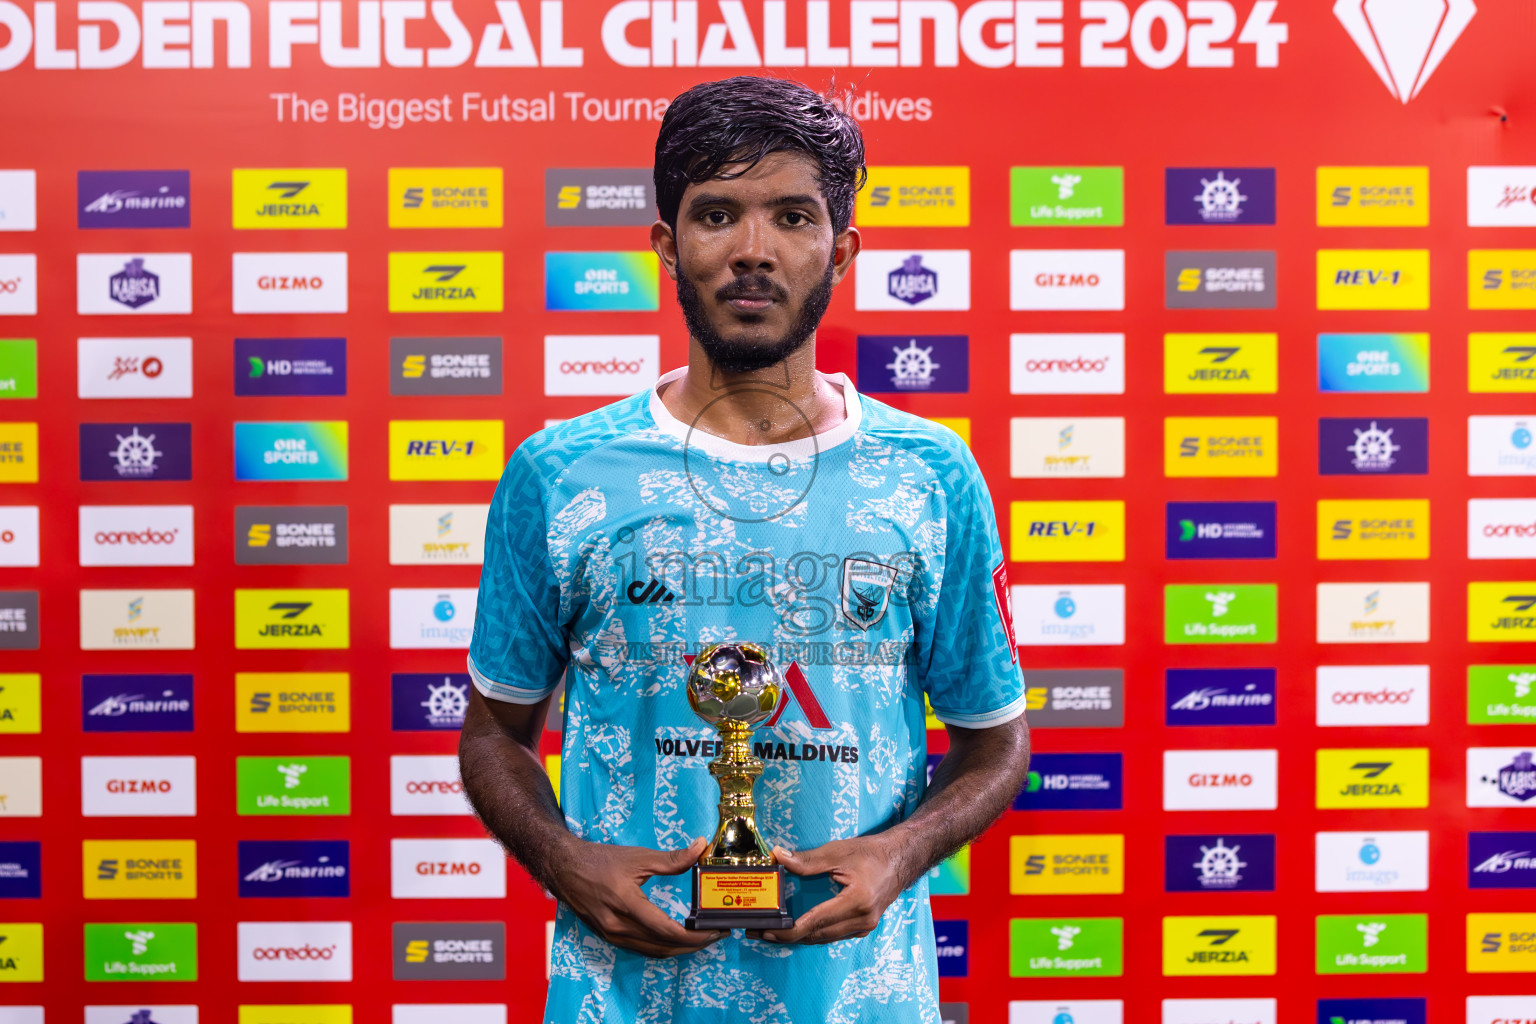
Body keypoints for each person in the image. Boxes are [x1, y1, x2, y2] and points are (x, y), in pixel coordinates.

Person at [459, 74, 1030, 1024]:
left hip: (858, 1000)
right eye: (717, 214)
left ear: (840, 251)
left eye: (793, 217)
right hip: (627, 997)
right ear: (666, 244)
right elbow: (493, 731)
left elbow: (994, 739)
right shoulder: (561, 473)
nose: (753, 252)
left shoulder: (928, 473)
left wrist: (899, 853)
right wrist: (564, 860)